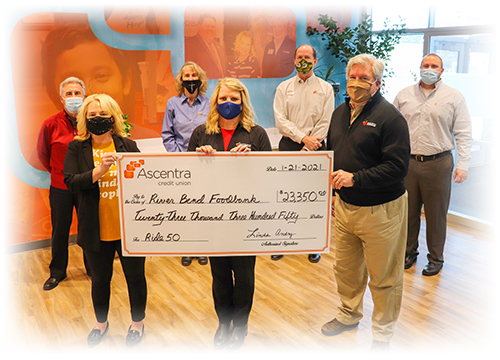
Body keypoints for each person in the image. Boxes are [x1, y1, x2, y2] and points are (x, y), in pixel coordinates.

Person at [321, 54, 410, 349]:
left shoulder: (390, 118)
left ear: (377, 83)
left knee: (384, 276)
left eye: (363, 78)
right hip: (345, 209)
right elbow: (331, 153)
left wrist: (355, 179)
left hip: (381, 211)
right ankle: (348, 314)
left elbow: (397, 168)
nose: (356, 83)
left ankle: (383, 335)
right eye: (353, 77)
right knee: (346, 270)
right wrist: (333, 190)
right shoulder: (338, 113)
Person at [188, 78, 272, 350]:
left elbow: (269, 175)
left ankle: (241, 324)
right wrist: (200, 157)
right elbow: (188, 176)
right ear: (215, 101)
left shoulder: (257, 134)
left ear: (243, 102)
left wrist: (254, 157)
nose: (228, 103)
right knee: (220, 275)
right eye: (223, 98)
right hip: (213, 218)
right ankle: (224, 322)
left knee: (245, 276)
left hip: (246, 219)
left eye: (234, 99)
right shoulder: (202, 133)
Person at [64, 94, 147, 348]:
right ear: (84, 120)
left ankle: (137, 323)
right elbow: (71, 181)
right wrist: (98, 172)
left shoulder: (127, 145)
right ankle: (101, 323)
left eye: (102, 115)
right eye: (91, 116)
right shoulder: (77, 148)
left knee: (135, 277)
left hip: (128, 228)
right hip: (95, 229)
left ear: (113, 117)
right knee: (100, 280)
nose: (97, 119)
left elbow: (145, 179)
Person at [393, 53, 473, 276]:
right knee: (407, 213)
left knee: (436, 214)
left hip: (438, 163)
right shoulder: (404, 94)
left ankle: (436, 258)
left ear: (442, 70)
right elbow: (392, 128)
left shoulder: (454, 97)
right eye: (425, 65)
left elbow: (464, 133)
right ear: (419, 68)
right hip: (408, 163)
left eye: (434, 66)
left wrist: (463, 164)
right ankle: (409, 253)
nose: (429, 68)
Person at [272, 43, 334, 263]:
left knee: (313, 199)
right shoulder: (283, 88)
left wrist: (309, 145)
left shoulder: (326, 89)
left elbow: (326, 121)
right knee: (285, 196)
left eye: (307, 57)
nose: (303, 60)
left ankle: (313, 243)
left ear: (315, 61)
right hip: (290, 146)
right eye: (299, 57)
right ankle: (282, 241)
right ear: (294, 61)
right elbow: (280, 121)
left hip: (316, 149)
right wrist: (301, 138)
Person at [37, 76, 91, 291]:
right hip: (60, 186)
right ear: (61, 98)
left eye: (77, 93)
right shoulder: (50, 124)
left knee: (88, 228)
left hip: (87, 185)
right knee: (60, 230)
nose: (74, 98)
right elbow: (43, 154)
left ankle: (93, 269)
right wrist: (59, 173)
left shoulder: (91, 121)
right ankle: (57, 272)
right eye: (69, 94)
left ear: (84, 96)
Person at [162, 61, 210, 266]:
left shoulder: (211, 102)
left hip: (207, 162)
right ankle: (187, 247)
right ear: (180, 81)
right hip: (182, 162)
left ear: (200, 79)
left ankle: (203, 247)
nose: (190, 80)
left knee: (205, 205)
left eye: (193, 76)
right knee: (185, 206)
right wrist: (178, 156)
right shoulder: (172, 104)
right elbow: (167, 135)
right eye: (186, 76)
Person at [185, 14, 228, 79]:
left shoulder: (220, 47)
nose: (210, 29)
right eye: (207, 26)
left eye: (213, 26)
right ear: (199, 27)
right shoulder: (189, 44)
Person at [261, 14, 295, 78]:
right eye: (275, 27)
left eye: (280, 26)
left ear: (286, 28)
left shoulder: (293, 46)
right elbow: (264, 70)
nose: (277, 30)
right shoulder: (268, 46)